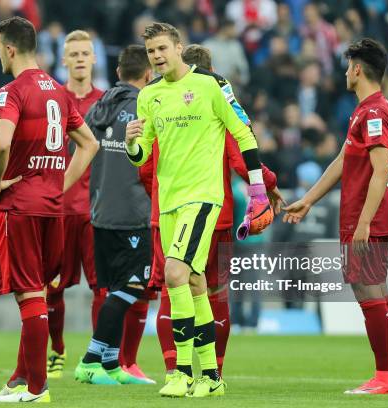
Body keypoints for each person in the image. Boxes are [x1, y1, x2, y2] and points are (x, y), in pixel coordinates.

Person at [125, 22, 281, 398]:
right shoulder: (149, 96)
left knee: (176, 274)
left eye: (163, 48)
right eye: (151, 52)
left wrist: (258, 186)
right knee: (195, 284)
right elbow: (143, 155)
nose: (158, 56)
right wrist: (131, 144)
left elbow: (242, 133)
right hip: (168, 203)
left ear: (179, 47)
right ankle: (211, 376)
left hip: (203, 197)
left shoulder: (210, 86)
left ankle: (181, 373)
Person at [284, 38, 388, 394]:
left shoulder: (374, 112)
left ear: (357, 69)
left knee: (367, 291)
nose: (344, 71)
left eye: (348, 64)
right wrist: (308, 200)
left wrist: (364, 221)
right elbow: (342, 161)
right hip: (366, 215)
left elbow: (380, 170)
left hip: (365, 216)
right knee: (378, 291)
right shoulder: (368, 109)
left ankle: (385, 377)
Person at [0, 17, 98, 403]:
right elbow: (89, 145)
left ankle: (37, 388)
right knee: (37, 294)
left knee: (29, 295)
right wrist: (59, 186)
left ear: (11, 48)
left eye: (0, 47)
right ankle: (21, 378)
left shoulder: (12, 92)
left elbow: (1, 144)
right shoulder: (59, 92)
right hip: (54, 210)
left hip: (20, 207)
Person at [74, 44, 155, 385]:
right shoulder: (145, 106)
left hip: (101, 210)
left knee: (115, 288)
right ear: (149, 75)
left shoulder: (100, 105)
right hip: (132, 212)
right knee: (132, 286)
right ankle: (90, 359)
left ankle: (110, 364)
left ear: (119, 73)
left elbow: (80, 146)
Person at [45, 29, 106, 380]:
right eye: (75, 54)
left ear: (94, 58)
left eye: (86, 53)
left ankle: (97, 355)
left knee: (101, 287)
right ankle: (57, 349)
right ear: (64, 59)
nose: (81, 58)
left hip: (97, 210)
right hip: (60, 208)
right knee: (54, 286)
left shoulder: (107, 101)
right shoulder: (53, 101)